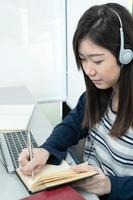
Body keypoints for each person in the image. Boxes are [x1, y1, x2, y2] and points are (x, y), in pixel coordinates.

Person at [18, 3, 133, 200]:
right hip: (87, 193)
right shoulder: (102, 91)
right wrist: (46, 150)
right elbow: (72, 124)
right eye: (83, 59)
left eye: (97, 61)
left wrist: (110, 186)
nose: (89, 70)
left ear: (126, 54)